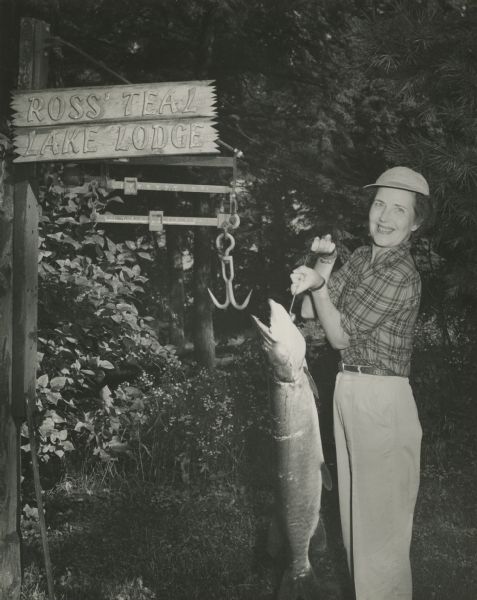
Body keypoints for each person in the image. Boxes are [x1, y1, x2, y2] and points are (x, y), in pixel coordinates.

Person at [290, 166, 432, 600]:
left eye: (399, 210)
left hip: (380, 399)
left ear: (416, 222)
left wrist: (319, 284)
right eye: (378, 204)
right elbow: (315, 313)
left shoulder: (401, 274)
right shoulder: (361, 258)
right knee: (358, 531)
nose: (385, 217)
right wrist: (321, 267)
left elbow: (339, 335)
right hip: (350, 391)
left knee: (380, 536)